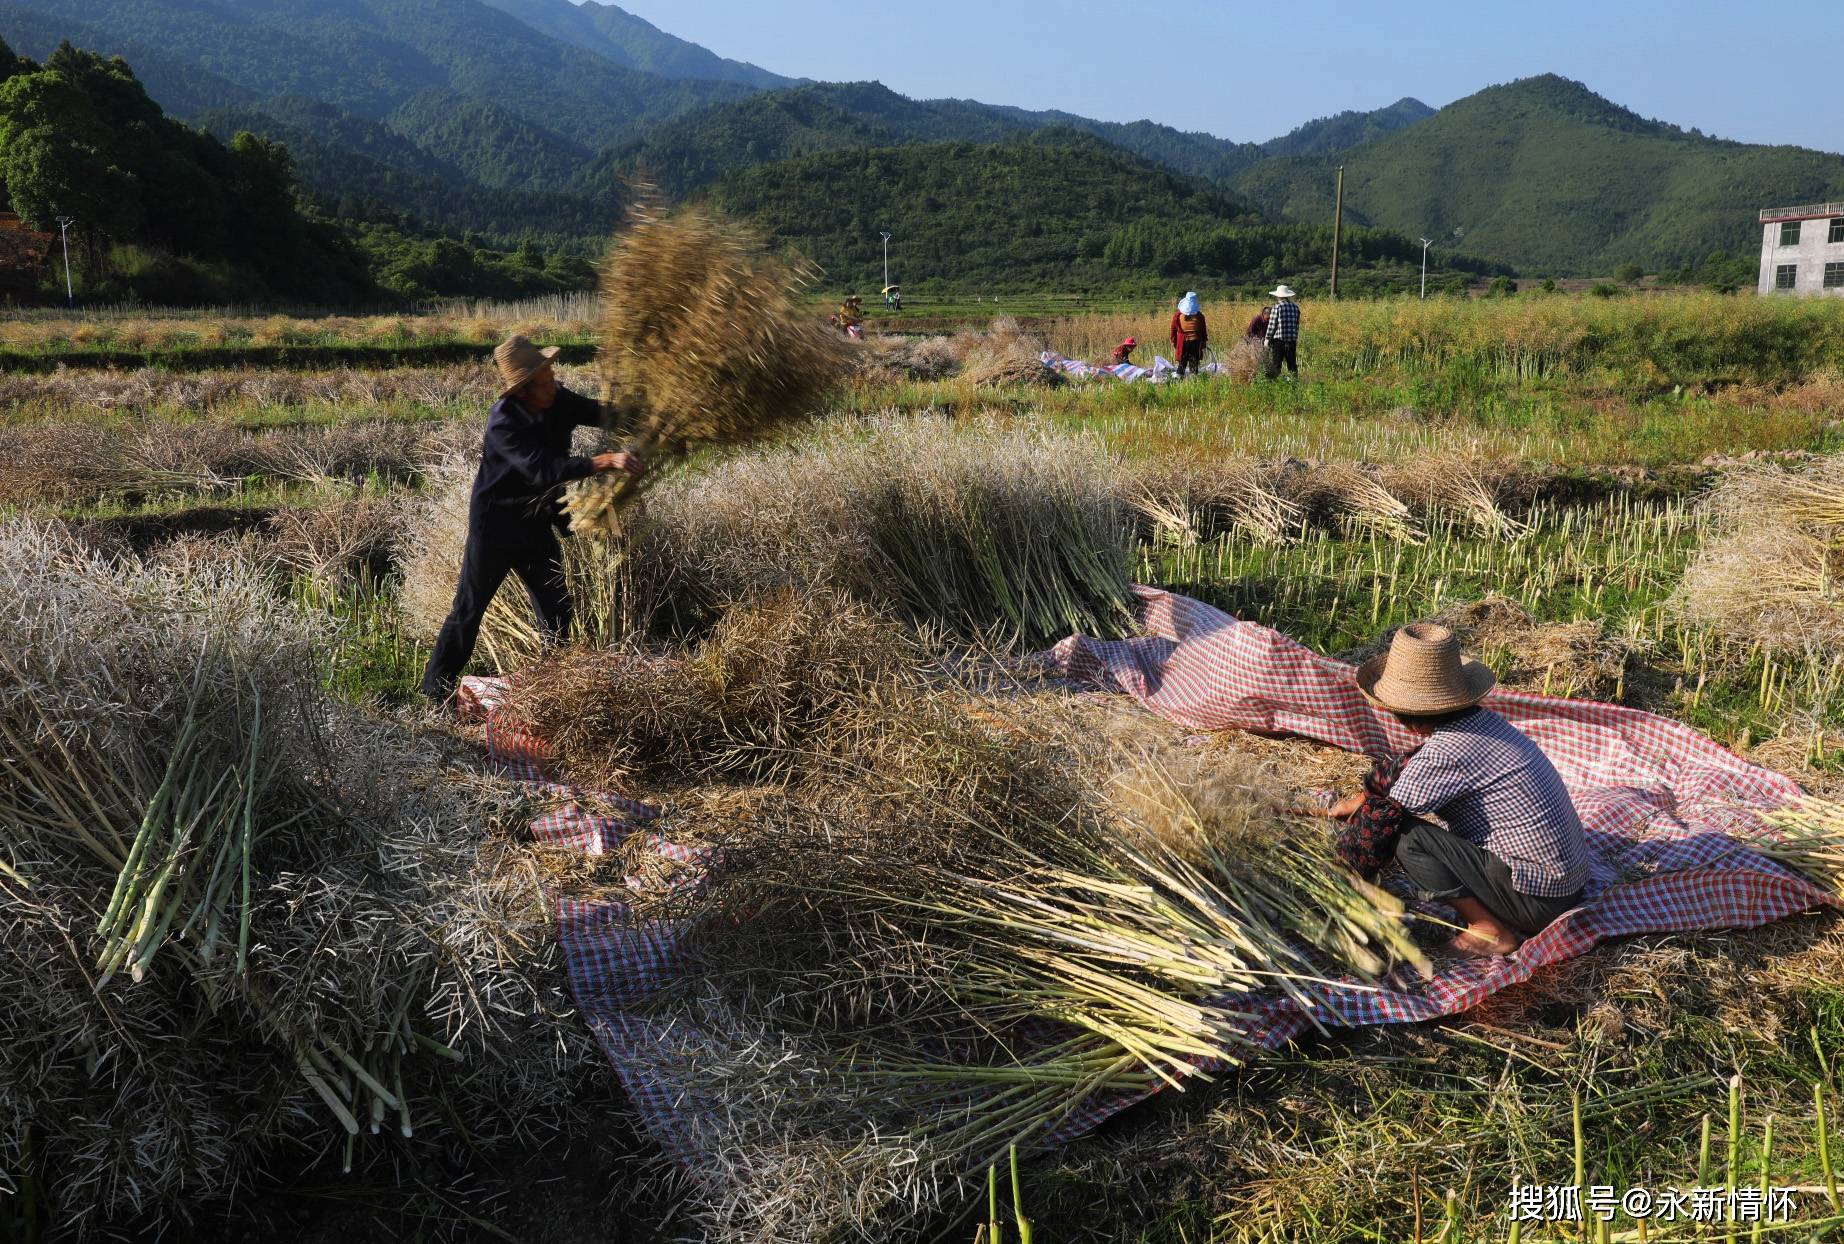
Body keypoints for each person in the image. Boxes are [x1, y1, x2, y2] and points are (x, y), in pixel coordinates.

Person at [1307, 622, 1590, 957]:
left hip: (1537, 900)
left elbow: (1381, 822)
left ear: (1406, 715)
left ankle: (1488, 929)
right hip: (1564, 882)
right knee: (1396, 818)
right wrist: (1357, 800)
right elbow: (1405, 769)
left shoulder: (1446, 753)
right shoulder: (1483, 725)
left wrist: (1337, 880)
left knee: (1406, 835)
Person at [420, 335, 641, 708]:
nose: (552, 385)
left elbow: (600, 413)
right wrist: (604, 461)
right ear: (522, 391)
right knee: (469, 610)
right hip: (496, 527)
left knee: (556, 607)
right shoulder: (502, 422)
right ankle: (435, 693)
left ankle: (549, 687)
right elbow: (543, 470)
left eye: (552, 376)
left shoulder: (557, 398)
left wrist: (649, 416)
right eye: (543, 382)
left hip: (536, 521)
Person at [1262, 284, 1301, 379]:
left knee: (1276, 365)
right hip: (1292, 341)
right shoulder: (1295, 308)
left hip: (1279, 341)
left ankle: (1275, 384)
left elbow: (1272, 325)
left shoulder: (1277, 307)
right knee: (1292, 365)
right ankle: (1294, 383)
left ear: (1278, 296)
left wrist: (1267, 339)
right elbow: (1296, 324)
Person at [1168, 291, 1207, 378]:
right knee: (1194, 361)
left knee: (1182, 361)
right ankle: (1193, 380)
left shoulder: (1178, 315)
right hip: (1196, 342)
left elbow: (1173, 329)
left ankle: (1179, 378)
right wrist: (1204, 342)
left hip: (1183, 342)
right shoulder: (1200, 316)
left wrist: (1174, 341)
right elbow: (1203, 331)